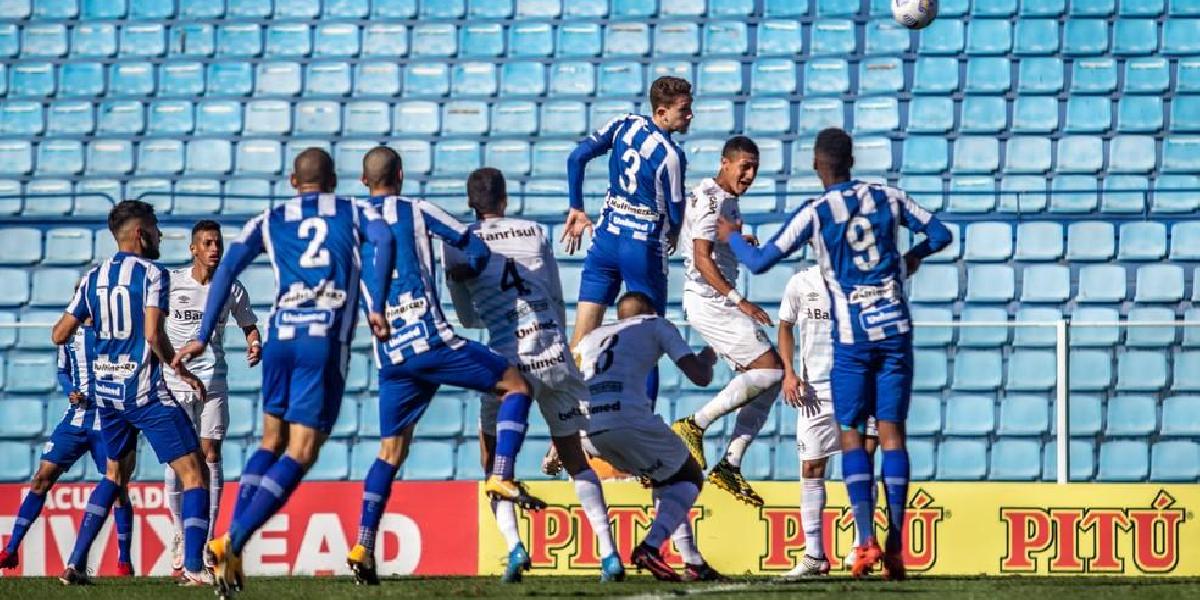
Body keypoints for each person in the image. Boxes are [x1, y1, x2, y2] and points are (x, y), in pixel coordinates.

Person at [716, 128, 952, 579]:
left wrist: (732, 238)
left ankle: (865, 543)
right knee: (892, 436)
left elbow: (761, 261)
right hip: (896, 333)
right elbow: (940, 234)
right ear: (851, 160)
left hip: (854, 339)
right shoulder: (888, 196)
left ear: (816, 164)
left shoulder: (817, 211)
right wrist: (912, 257)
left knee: (849, 435)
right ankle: (896, 544)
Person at [174, 148, 395, 597]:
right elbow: (386, 241)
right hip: (322, 339)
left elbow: (227, 269)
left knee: (270, 441)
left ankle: (229, 539)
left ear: (294, 181)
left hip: (279, 339)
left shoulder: (269, 218)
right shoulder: (351, 211)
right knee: (302, 450)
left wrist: (200, 332)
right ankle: (233, 540)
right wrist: (380, 301)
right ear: (333, 181)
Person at [343, 148, 542, 586]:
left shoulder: (348, 221)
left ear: (363, 179)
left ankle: (363, 543)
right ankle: (503, 475)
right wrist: (467, 274)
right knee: (517, 387)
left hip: (390, 355)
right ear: (400, 173)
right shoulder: (418, 210)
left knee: (389, 452)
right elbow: (473, 248)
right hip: (433, 341)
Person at [443, 167, 624, 583]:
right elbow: (555, 293)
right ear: (505, 200)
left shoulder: (458, 244)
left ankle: (515, 548)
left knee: (493, 461)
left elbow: (469, 319)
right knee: (575, 456)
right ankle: (609, 554)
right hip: (553, 350)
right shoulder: (534, 231)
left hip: (508, 363)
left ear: (472, 205)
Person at [50, 200, 210, 585]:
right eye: (154, 229)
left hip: (106, 394)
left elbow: (59, 334)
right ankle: (192, 566)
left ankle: (74, 564)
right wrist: (180, 368)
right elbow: (154, 335)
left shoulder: (92, 277)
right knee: (196, 474)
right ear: (141, 234)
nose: (158, 236)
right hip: (142, 392)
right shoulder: (153, 273)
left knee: (114, 475)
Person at [576, 292, 727, 583]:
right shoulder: (657, 324)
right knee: (689, 476)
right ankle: (651, 547)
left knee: (665, 480)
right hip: (628, 420)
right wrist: (707, 358)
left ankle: (693, 562)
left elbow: (571, 382)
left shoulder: (592, 337)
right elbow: (699, 376)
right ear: (652, 309)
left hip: (588, 429)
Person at [560, 75, 693, 401]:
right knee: (649, 337)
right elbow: (676, 213)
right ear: (662, 112)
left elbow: (576, 157)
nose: (690, 116)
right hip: (642, 247)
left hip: (605, 240)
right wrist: (673, 233)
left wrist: (576, 206)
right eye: (684, 110)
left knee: (581, 337)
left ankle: (565, 426)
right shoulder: (671, 156)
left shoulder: (624, 124)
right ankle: (642, 422)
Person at [670, 136, 784, 508]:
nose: (749, 175)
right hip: (711, 301)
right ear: (725, 162)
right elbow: (701, 258)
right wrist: (742, 301)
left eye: (755, 169)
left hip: (715, 300)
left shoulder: (724, 199)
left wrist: (738, 240)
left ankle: (730, 464)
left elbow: (706, 244)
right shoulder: (714, 200)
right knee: (771, 371)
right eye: (744, 166)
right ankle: (694, 425)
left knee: (769, 379)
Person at [0, 322, 136, 576]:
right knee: (41, 478)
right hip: (75, 420)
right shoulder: (68, 333)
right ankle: (11, 549)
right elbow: (63, 370)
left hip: (108, 420)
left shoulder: (117, 331)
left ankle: (124, 562)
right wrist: (70, 389)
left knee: (118, 488)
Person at [164, 219, 261, 573]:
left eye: (217, 243)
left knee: (210, 453)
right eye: (207, 244)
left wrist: (254, 343)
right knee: (180, 459)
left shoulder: (231, 288)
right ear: (193, 249)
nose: (214, 249)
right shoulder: (172, 283)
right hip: (174, 381)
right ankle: (179, 532)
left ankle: (205, 539)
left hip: (214, 381)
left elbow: (248, 323)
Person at [777, 263, 879, 578]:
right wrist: (789, 373)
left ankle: (861, 545)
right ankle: (814, 556)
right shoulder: (800, 282)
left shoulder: (863, 280)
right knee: (811, 466)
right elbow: (785, 326)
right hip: (814, 390)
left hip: (858, 384)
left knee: (863, 460)